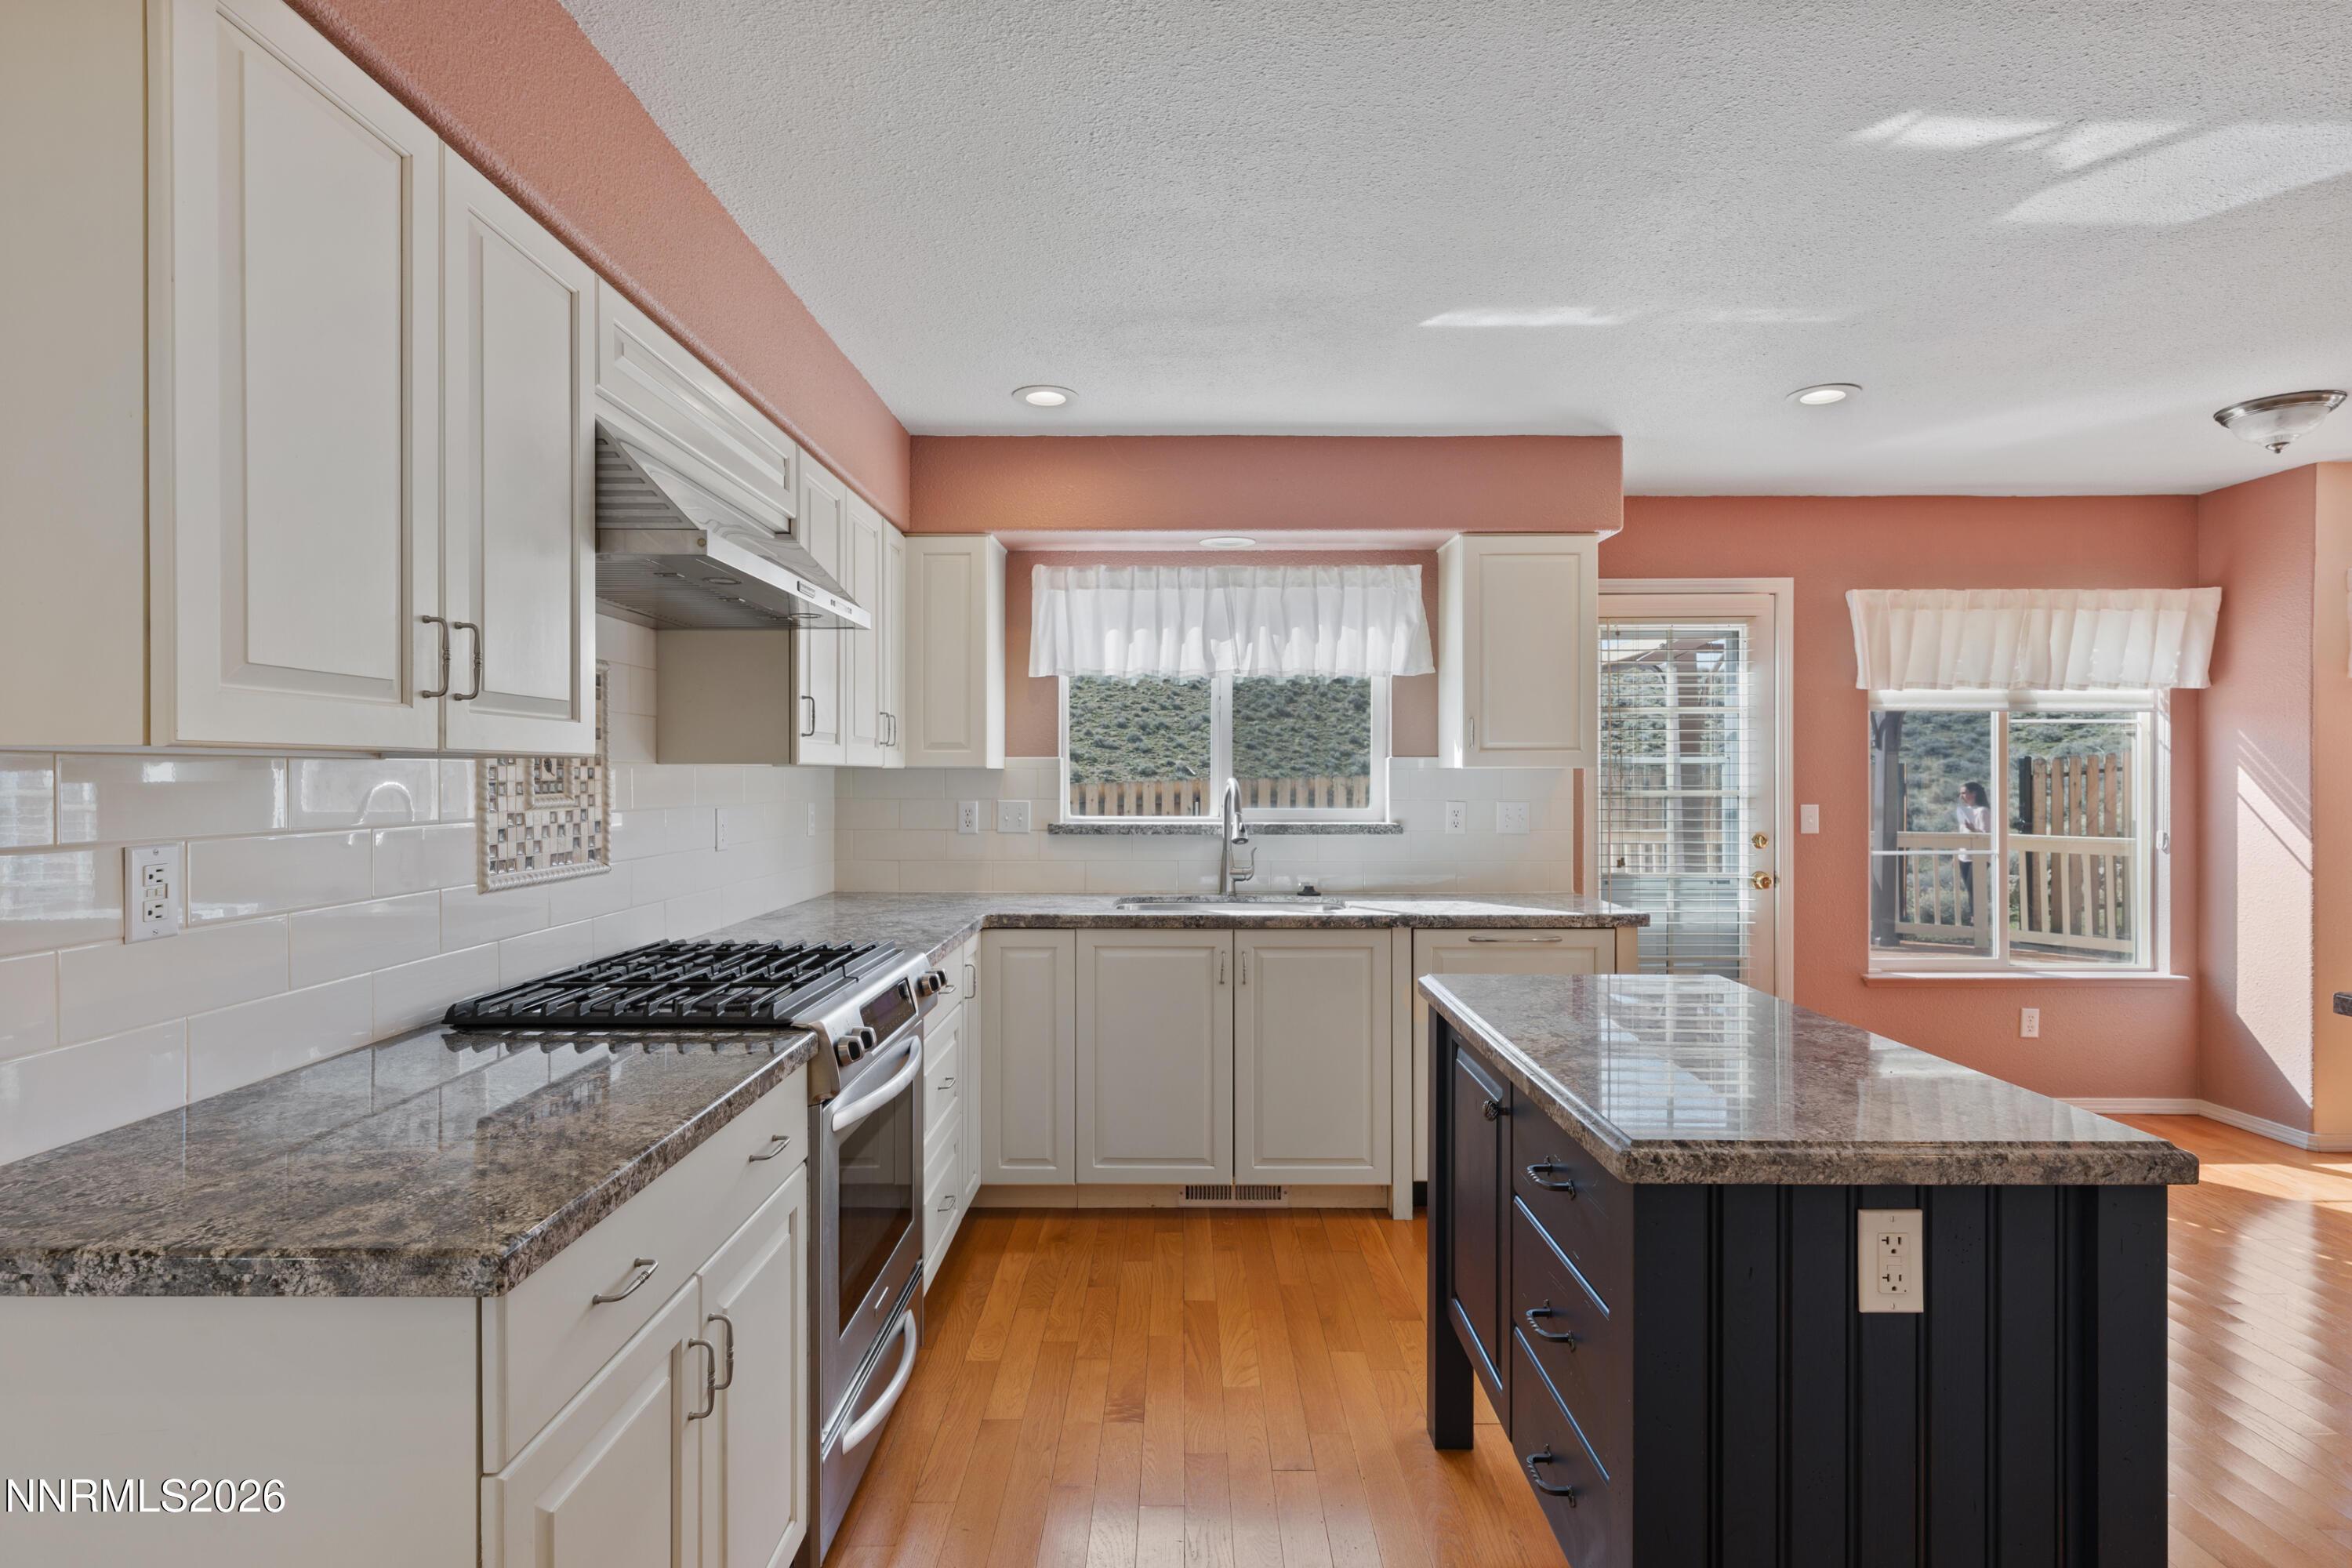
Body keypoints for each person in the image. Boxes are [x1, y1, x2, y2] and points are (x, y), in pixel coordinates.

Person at [1955, 782, 1991, 929]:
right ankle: (1974, 920)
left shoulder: (1983, 811)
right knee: (1970, 890)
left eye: (1964, 793)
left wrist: (1973, 829)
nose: (1961, 796)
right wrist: (1956, 854)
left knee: (1975, 888)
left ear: (1974, 793)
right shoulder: (1965, 810)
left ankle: (1978, 921)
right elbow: (1962, 835)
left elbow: (1986, 835)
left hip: (1978, 856)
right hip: (1964, 855)